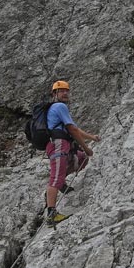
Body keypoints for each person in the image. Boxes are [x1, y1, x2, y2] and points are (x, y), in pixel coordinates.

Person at [45, 80, 100, 225]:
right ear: (54, 94)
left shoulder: (56, 108)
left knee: (81, 158)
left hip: (63, 145)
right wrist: (87, 148)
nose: (65, 93)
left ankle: (60, 182)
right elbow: (73, 130)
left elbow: (74, 128)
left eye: (66, 90)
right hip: (58, 144)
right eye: (61, 91)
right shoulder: (59, 106)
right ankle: (51, 214)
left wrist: (91, 137)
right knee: (56, 177)